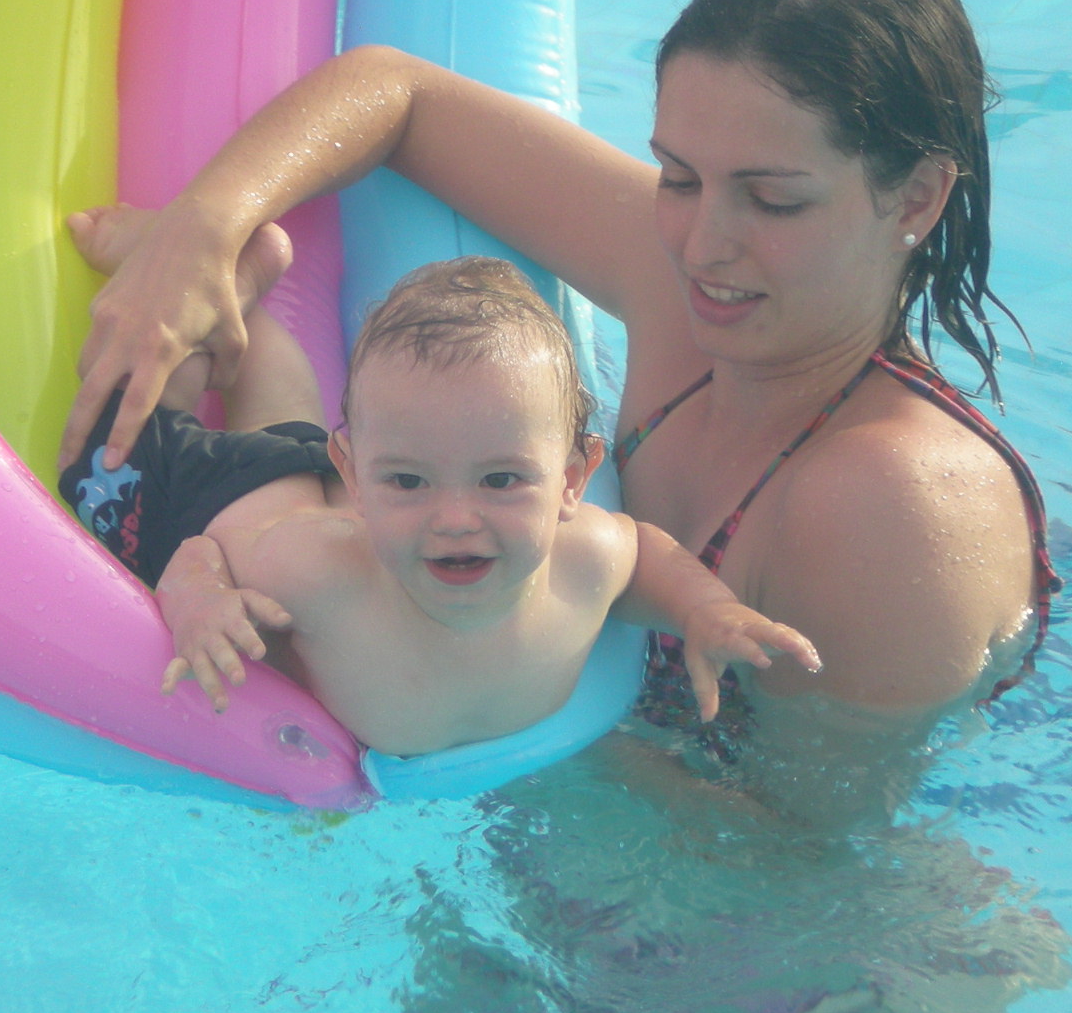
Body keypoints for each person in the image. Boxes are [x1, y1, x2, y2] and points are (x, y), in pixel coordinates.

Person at [61, 0, 1059, 823]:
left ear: (914, 199)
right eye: (677, 177)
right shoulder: (695, 283)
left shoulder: (892, 506)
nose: (703, 242)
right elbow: (397, 95)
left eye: (772, 200)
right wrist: (203, 231)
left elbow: (803, 853)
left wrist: (457, 720)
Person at [57, 227, 819, 755]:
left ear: (572, 480)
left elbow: (645, 553)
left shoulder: (585, 558)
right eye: (409, 482)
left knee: (284, 428)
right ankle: (178, 286)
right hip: (228, 491)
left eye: (500, 479)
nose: (456, 519)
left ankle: (242, 299)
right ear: (358, 475)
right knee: (112, 454)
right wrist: (199, 604)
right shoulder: (314, 578)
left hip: (312, 476)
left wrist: (703, 610)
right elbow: (203, 547)